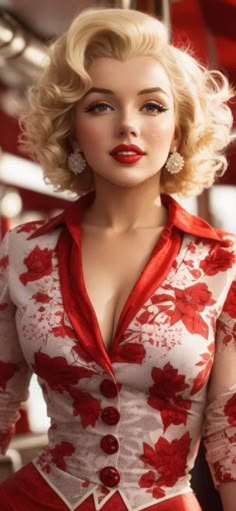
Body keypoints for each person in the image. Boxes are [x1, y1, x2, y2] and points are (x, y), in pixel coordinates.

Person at [0, 7, 235, 511]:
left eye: (152, 107)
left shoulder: (222, 263)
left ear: (178, 128)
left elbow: (229, 433)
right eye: (101, 106)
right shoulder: (22, 251)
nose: (128, 125)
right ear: (72, 128)